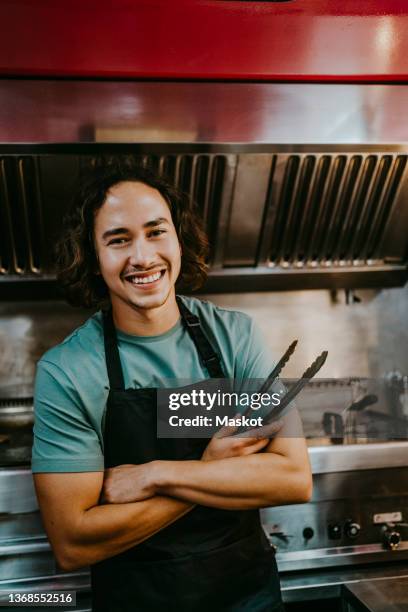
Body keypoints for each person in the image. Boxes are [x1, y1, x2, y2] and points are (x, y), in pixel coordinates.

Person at [32, 163, 312, 612]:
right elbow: (73, 542)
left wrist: (157, 474)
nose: (142, 257)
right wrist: (213, 470)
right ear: (92, 255)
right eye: (118, 239)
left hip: (247, 596)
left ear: (178, 238)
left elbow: (293, 478)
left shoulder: (235, 337)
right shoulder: (67, 371)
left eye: (156, 231)